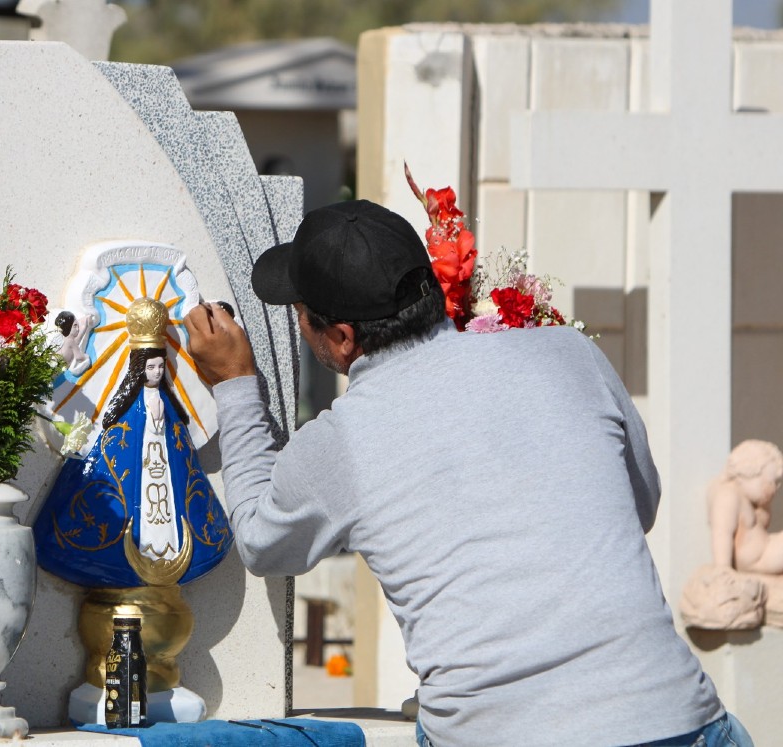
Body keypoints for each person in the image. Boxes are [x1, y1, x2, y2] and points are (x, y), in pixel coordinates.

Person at [183, 199, 752, 747]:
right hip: (683, 720)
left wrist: (234, 386)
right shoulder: (568, 353)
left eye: (303, 316)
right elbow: (639, 507)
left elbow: (259, 541)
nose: (303, 328)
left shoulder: (342, 440)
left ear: (341, 337)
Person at [33, 298, 231, 589]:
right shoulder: (128, 406)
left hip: (162, 468)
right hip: (138, 464)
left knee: (165, 509)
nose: (156, 373)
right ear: (139, 368)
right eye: (151, 368)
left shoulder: (166, 400)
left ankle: (168, 549)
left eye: (160, 367)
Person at [708, 439, 783, 574]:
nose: (773, 489)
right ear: (749, 473)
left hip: (764, 552)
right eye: (770, 482)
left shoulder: (748, 501)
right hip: (759, 559)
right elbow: (722, 533)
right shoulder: (728, 496)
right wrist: (723, 567)